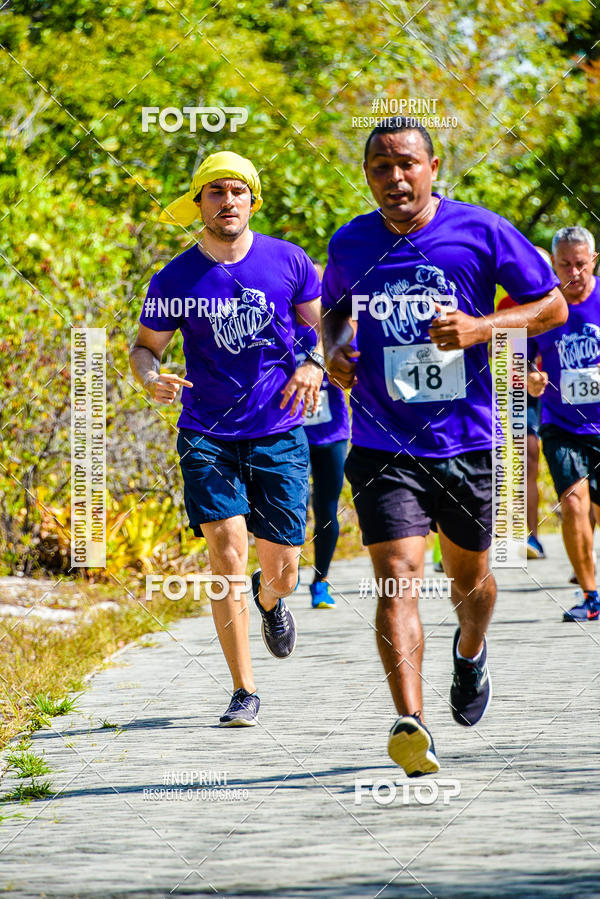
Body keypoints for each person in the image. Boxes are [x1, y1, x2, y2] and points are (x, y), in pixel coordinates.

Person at [322, 117, 567, 777]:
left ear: (433, 168)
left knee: (470, 582)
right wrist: (335, 349)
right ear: (367, 175)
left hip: (469, 440)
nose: (395, 177)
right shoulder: (350, 241)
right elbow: (334, 309)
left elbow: (551, 307)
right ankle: (412, 725)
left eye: (407, 163)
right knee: (397, 575)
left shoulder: (480, 230)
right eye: (380, 167)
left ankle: (470, 650)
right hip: (383, 440)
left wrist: (482, 327)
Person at [130, 151, 324, 726]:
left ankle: (272, 598)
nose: (227, 201)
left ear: (253, 201)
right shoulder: (175, 278)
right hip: (206, 431)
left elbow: (323, 329)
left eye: (238, 191)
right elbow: (145, 348)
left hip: (279, 428)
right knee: (226, 552)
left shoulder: (289, 261)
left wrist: (312, 364)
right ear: (199, 203)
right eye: (215, 191)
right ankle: (244, 689)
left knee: (284, 568)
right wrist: (150, 377)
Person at [528, 225, 600, 622]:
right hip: (562, 424)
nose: (574, 273)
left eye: (581, 263)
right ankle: (591, 596)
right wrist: (529, 376)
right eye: (565, 265)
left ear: (594, 260)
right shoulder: (544, 306)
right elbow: (514, 356)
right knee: (573, 503)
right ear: (553, 265)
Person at [296, 260, 350, 608]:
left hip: (331, 433)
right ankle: (285, 572)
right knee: (293, 506)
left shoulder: (338, 328)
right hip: (290, 433)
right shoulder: (282, 327)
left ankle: (321, 581)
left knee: (326, 509)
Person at [497, 247, 553, 560]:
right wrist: (527, 375)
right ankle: (528, 535)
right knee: (526, 458)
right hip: (521, 391)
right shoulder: (507, 305)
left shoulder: (559, 302)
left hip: (563, 392)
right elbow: (502, 355)